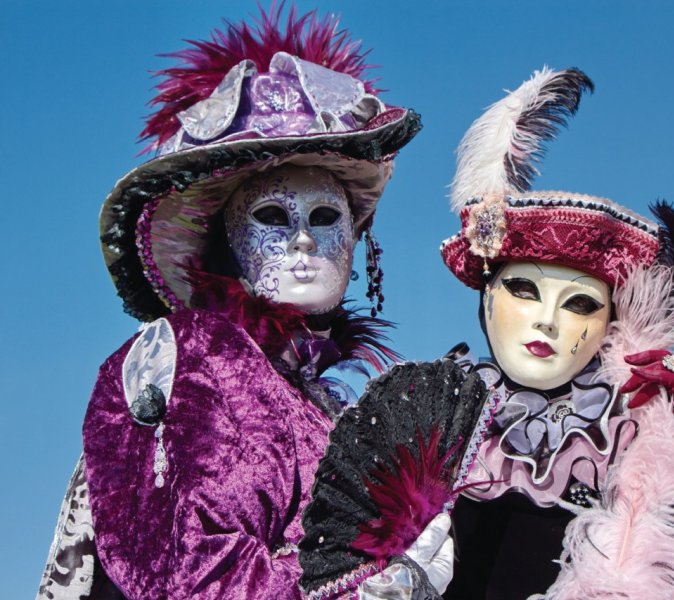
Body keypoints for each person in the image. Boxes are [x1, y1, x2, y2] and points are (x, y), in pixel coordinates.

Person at [36, 6, 421, 599]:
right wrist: (383, 582)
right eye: (271, 217)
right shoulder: (202, 359)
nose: (302, 239)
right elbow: (190, 573)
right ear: (226, 240)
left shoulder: (318, 396)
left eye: (325, 217)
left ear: (356, 237)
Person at [436, 68, 674, 599]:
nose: (547, 321)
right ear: (486, 297)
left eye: (580, 303)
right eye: (523, 291)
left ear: (612, 320)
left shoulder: (635, 430)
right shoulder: (435, 416)